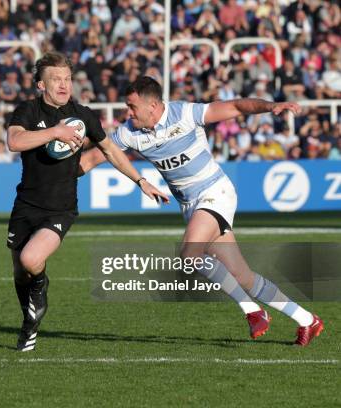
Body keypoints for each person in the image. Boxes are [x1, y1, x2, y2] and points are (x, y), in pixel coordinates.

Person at [80, 76, 323, 346]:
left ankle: (253, 311)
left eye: (132, 107)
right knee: (244, 278)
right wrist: (55, 177)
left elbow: (236, 107)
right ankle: (307, 319)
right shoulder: (130, 132)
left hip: (214, 192)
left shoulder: (184, 113)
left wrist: (270, 106)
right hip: (191, 205)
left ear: (153, 106)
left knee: (189, 253)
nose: (128, 113)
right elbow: (92, 158)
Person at [6, 52, 168, 352]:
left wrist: (141, 181)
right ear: (41, 84)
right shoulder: (26, 111)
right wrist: (55, 132)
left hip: (60, 207)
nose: (64, 84)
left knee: (31, 260)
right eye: (56, 79)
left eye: (67, 78)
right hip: (26, 204)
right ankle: (29, 323)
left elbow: (110, 150)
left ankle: (40, 289)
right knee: (19, 271)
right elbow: (14, 142)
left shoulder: (83, 115)